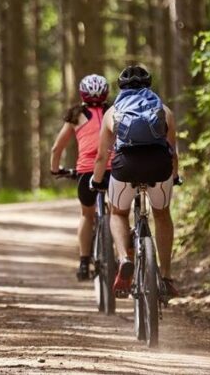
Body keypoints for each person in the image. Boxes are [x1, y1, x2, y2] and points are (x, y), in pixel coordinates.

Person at [90, 65, 180, 299]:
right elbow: (172, 152)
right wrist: (175, 176)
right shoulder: (164, 110)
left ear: (121, 87)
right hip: (159, 166)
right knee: (162, 215)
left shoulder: (112, 112)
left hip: (126, 167)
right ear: (149, 85)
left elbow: (102, 156)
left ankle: (125, 259)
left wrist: (97, 181)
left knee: (118, 213)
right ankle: (167, 277)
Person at [49, 74, 112, 281]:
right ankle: (124, 253)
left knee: (87, 215)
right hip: (114, 170)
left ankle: (84, 262)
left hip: (87, 172)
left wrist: (55, 169)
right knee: (119, 212)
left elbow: (57, 147)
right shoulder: (114, 111)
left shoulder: (76, 115)